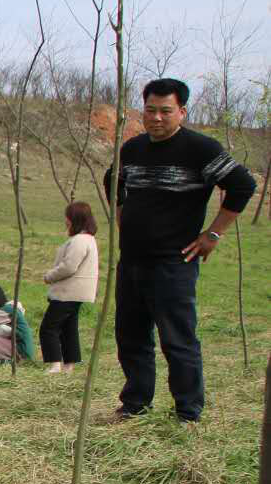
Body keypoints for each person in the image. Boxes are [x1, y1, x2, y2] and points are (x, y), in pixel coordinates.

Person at [105, 77, 257, 422]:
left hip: (174, 262)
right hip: (131, 261)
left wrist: (213, 235)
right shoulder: (132, 149)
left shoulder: (200, 149)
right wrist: (122, 222)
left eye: (165, 111)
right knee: (130, 337)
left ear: (182, 112)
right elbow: (114, 182)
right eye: (150, 110)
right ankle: (135, 404)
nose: (157, 118)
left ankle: (187, 413)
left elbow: (242, 185)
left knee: (177, 340)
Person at [38, 202, 100, 374]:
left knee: (49, 328)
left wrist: (49, 276)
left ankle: (55, 364)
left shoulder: (79, 241)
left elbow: (69, 267)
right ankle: (68, 365)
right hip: (78, 293)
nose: (65, 220)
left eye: (68, 217)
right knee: (68, 328)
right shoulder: (89, 239)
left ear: (74, 219)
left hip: (68, 292)